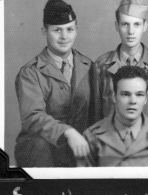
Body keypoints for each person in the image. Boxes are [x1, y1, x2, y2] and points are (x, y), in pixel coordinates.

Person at [14, 0, 97, 167]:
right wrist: (67, 131)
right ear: (45, 31)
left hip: (81, 147)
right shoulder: (30, 72)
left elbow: (97, 112)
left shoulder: (89, 66)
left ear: (76, 31)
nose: (64, 36)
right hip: (44, 148)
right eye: (57, 30)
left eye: (70, 29)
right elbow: (33, 117)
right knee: (38, 146)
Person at [94, 0, 148, 123]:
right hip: (113, 139)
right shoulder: (101, 66)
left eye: (136, 24)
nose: (131, 31)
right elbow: (95, 114)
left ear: (145, 26)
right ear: (117, 26)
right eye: (125, 24)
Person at [80, 66, 148, 167]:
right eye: (125, 94)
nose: (133, 101)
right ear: (114, 96)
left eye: (139, 95)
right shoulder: (91, 137)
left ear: (146, 98)